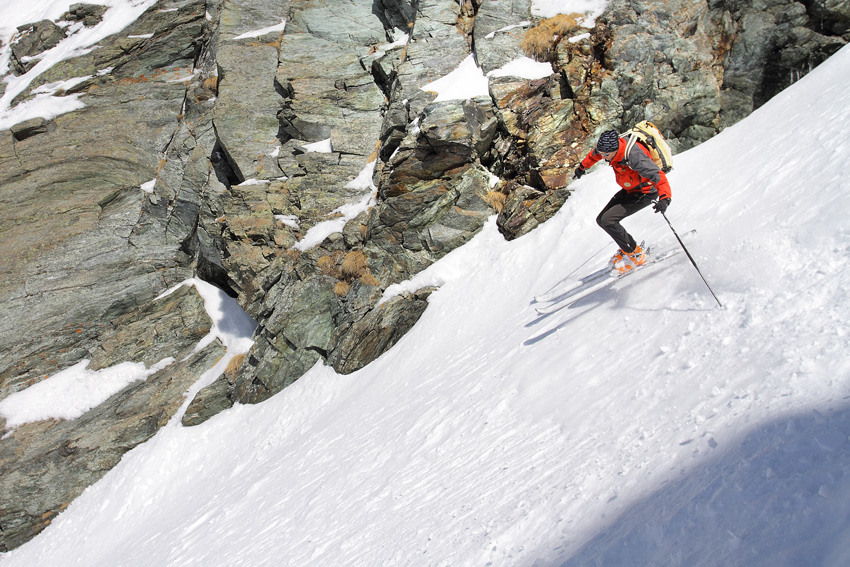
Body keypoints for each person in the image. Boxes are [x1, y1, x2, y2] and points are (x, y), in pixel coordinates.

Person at [573, 129, 672, 273]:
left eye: (606, 154)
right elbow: (595, 154)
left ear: (615, 150)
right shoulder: (608, 148)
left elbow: (657, 175)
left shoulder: (634, 156)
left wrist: (665, 198)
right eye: (602, 153)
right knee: (601, 220)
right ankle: (628, 248)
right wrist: (582, 167)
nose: (603, 156)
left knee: (608, 220)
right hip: (631, 190)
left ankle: (636, 254)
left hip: (645, 192)